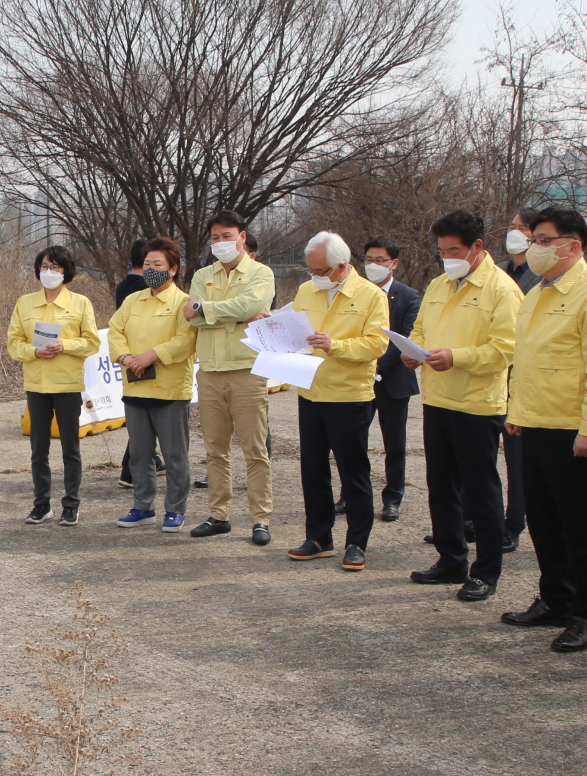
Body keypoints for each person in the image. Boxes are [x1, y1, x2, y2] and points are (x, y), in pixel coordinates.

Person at [497, 209, 587, 652]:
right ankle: (554, 598)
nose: (535, 247)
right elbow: (526, 360)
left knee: (579, 526)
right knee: (543, 521)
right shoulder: (536, 292)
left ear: (574, 245)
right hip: (533, 423)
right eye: (534, 238)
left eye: (545, 239)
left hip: (572, 429)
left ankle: (585, 615)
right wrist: (516, 410)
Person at [406, 209, 523, 602]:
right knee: (441, 485)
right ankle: (450, 557)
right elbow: (420, 329)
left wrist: (457, 357)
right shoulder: (440, 283)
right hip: (438, 397)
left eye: (453, 250)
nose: (446, 257)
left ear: (477, 247)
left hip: (477, 403)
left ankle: (486, 570)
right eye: (441, 250)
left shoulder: (502, 289)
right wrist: (413, 351)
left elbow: (506, 348)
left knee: (480, 490)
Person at [279, 231, 390, 571]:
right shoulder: (306, 290)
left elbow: (377, 344)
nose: (315, 277)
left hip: (349, 394)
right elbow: (295, 330)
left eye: (322, 271)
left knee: (353, 471)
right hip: (311, 389)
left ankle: (357, 541)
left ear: (342, 266)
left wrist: (336, 344)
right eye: (310, 270)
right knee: (312, 468)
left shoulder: (370, 295)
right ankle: (319, 537)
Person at [184, 210, 276, 544]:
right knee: (215, 449)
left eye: (227, 236)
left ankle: (260, 519)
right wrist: (235, 315)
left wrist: (207, 310)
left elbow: (250, 304)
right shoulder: (202, 275)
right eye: (215, 237)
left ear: (242, 236)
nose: (220, 242)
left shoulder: (261, 273)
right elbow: (191, 317)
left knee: (254, 450)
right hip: (209, 371)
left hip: (247, 371)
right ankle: (218, 515)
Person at [6, 246, 100, 527]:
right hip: (36, 384)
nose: (49, 272)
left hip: (68, 384)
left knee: (70, 448)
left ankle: (71, 504)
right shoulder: (25, 303)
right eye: (45, 266)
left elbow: (92, 342)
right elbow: (14, 343)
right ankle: (41, 504)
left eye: (55, 267)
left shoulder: (80, 303)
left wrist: (65, 345)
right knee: (39, 448)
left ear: (66, 271)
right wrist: (33, 352)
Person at [109, 238, 197, 533]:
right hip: (135, 387)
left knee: (174, 455)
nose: (150, 269)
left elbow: (185, 340)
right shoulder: (133, 300)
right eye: (147, 264)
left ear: (172, 269)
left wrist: (151, 356)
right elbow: (115, 330)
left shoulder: (183, 303)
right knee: (140, 454)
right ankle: (142, 506)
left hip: (169, 390)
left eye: (157, 264)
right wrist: (125, 356)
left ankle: (175, 509)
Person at [353, 237, 419, 523]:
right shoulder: (356, 293)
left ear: (394, 264)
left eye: (380, 260)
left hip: (393, 381)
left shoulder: (409, 296)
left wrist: (378, 364)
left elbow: (407, 336)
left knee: (395, 444)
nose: (374, 265)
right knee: (354, 441)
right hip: (359, 380)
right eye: (369, 259)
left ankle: (393, 497)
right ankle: (351, 494)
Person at [497, 209, 539, 550]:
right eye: (512, 227)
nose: (514, 233)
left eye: (522, 228)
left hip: (524, 376)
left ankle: (514, 522)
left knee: (520, 456)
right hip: (494, 376)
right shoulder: (500, 273)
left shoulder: (540, 276)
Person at [115, 238, 153, 490]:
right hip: (145, 360)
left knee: (143, 420)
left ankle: (145, 463)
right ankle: (130, 470)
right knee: (147, 420)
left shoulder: (122, 286)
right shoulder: (142, 289)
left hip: (133, 359)